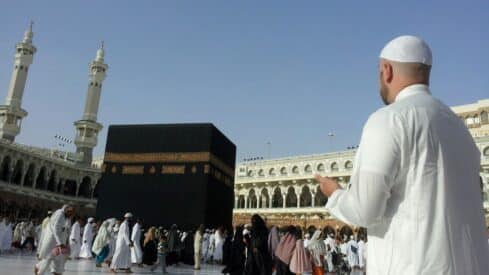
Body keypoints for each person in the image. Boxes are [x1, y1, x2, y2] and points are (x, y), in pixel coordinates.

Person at [316, 35, 489, 274]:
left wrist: (334, 194)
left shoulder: (389, 120)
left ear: (386, 71)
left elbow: (365, 210)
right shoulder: (459, 128)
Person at [35, 204, 74, 275]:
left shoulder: (66, 217)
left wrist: (65, 242)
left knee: (57, 260)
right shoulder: (59, 214)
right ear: (67, 211)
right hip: (53, 242)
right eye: (70, 213)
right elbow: (55, 229)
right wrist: (59, 242)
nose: (71, 215)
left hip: (59, 243)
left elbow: (66, 230)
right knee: (49, 259)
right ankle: (39, 269)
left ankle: (41, 268)